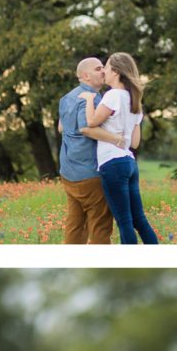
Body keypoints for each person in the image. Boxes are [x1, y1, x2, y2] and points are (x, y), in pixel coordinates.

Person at [78, 52, 159, 245]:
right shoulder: (135, 101)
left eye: (106, 67)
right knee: (139, 220)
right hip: (129, 163)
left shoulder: (112, 96)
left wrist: (89, 100)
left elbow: (91, 122)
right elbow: (134, 143)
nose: (103, 70)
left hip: (112, 163)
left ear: (115, 71)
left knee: (124, 221)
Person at [58, 58, 124, 244]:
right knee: (100, 227)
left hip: (69, 172)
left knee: (75, 225)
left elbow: (61, 128)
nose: (103, 71)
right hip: (90, 173)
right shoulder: (94, 99)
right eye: (98, 68)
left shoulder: (66, 98)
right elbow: (86, 128)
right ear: (86, 76)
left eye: (104, 67)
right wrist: (117, 139)